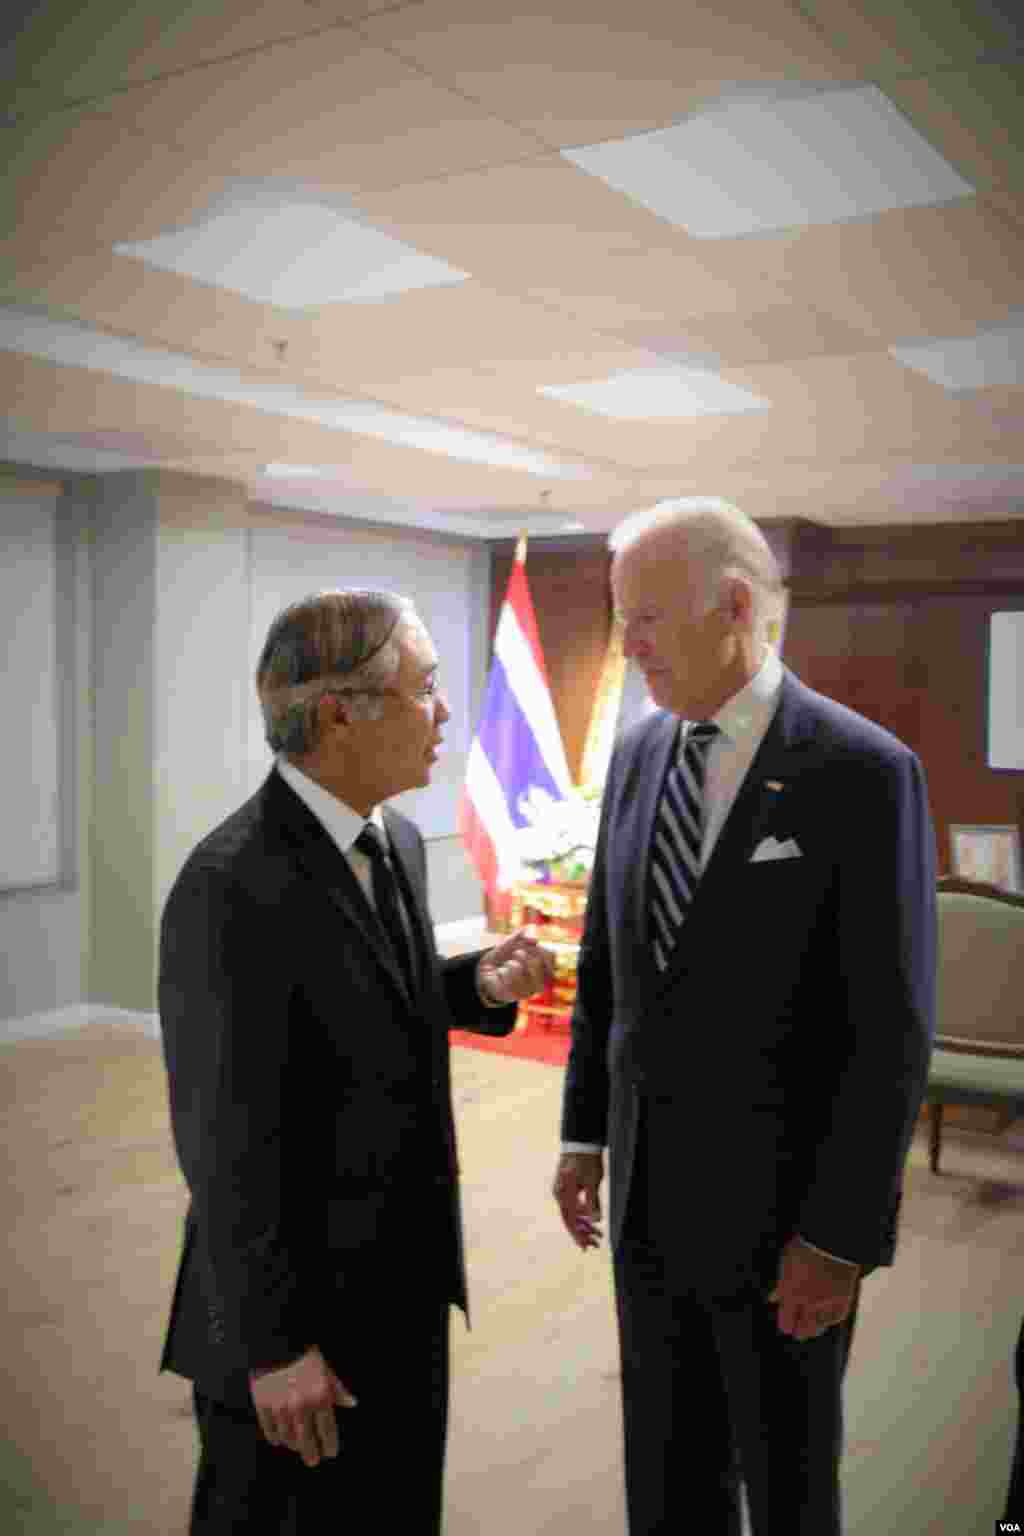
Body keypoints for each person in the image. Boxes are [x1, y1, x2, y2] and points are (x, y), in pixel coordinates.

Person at [552, 498, 936, 1536]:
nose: (625, 648)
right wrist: (584, 1130)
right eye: (618, 619)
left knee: (785, 1477)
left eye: (644, 621)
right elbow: (607, 966)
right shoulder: (637, 752)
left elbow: (889, 1032)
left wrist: (838, 1236)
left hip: (783, 1230)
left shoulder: (861, 772)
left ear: (733, 608)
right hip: (645, 1208)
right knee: (666, 1471)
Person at [158, 587, 552, 1534]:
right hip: (299, 1332)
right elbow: (224, 1142)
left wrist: (475, 987)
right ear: (341, 712)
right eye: (427, 688)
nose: (447, 712)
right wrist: (273, 1346)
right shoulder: (229, 886)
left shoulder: (396, 841)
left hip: (401, 1292)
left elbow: (379, 995)